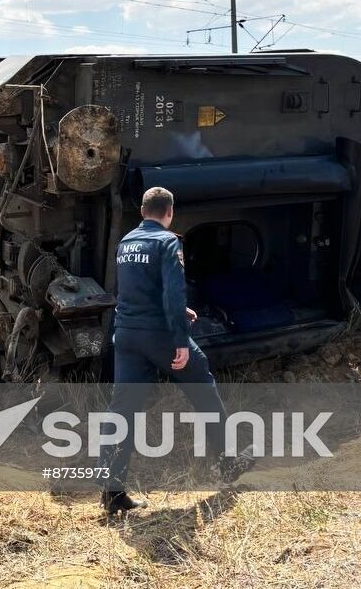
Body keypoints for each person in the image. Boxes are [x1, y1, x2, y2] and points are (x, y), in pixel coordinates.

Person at [99, 187, 252, 515]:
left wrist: (179, 311)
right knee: (203, 386)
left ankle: (112, 492)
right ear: (169, 213)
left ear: (142, 212)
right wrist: (181, 339)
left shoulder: (126, 243)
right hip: (160, 336)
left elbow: (135, 290)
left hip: (126, 334)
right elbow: (171, 290)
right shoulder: (168, 242)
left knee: (123, 409)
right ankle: (228, 462)